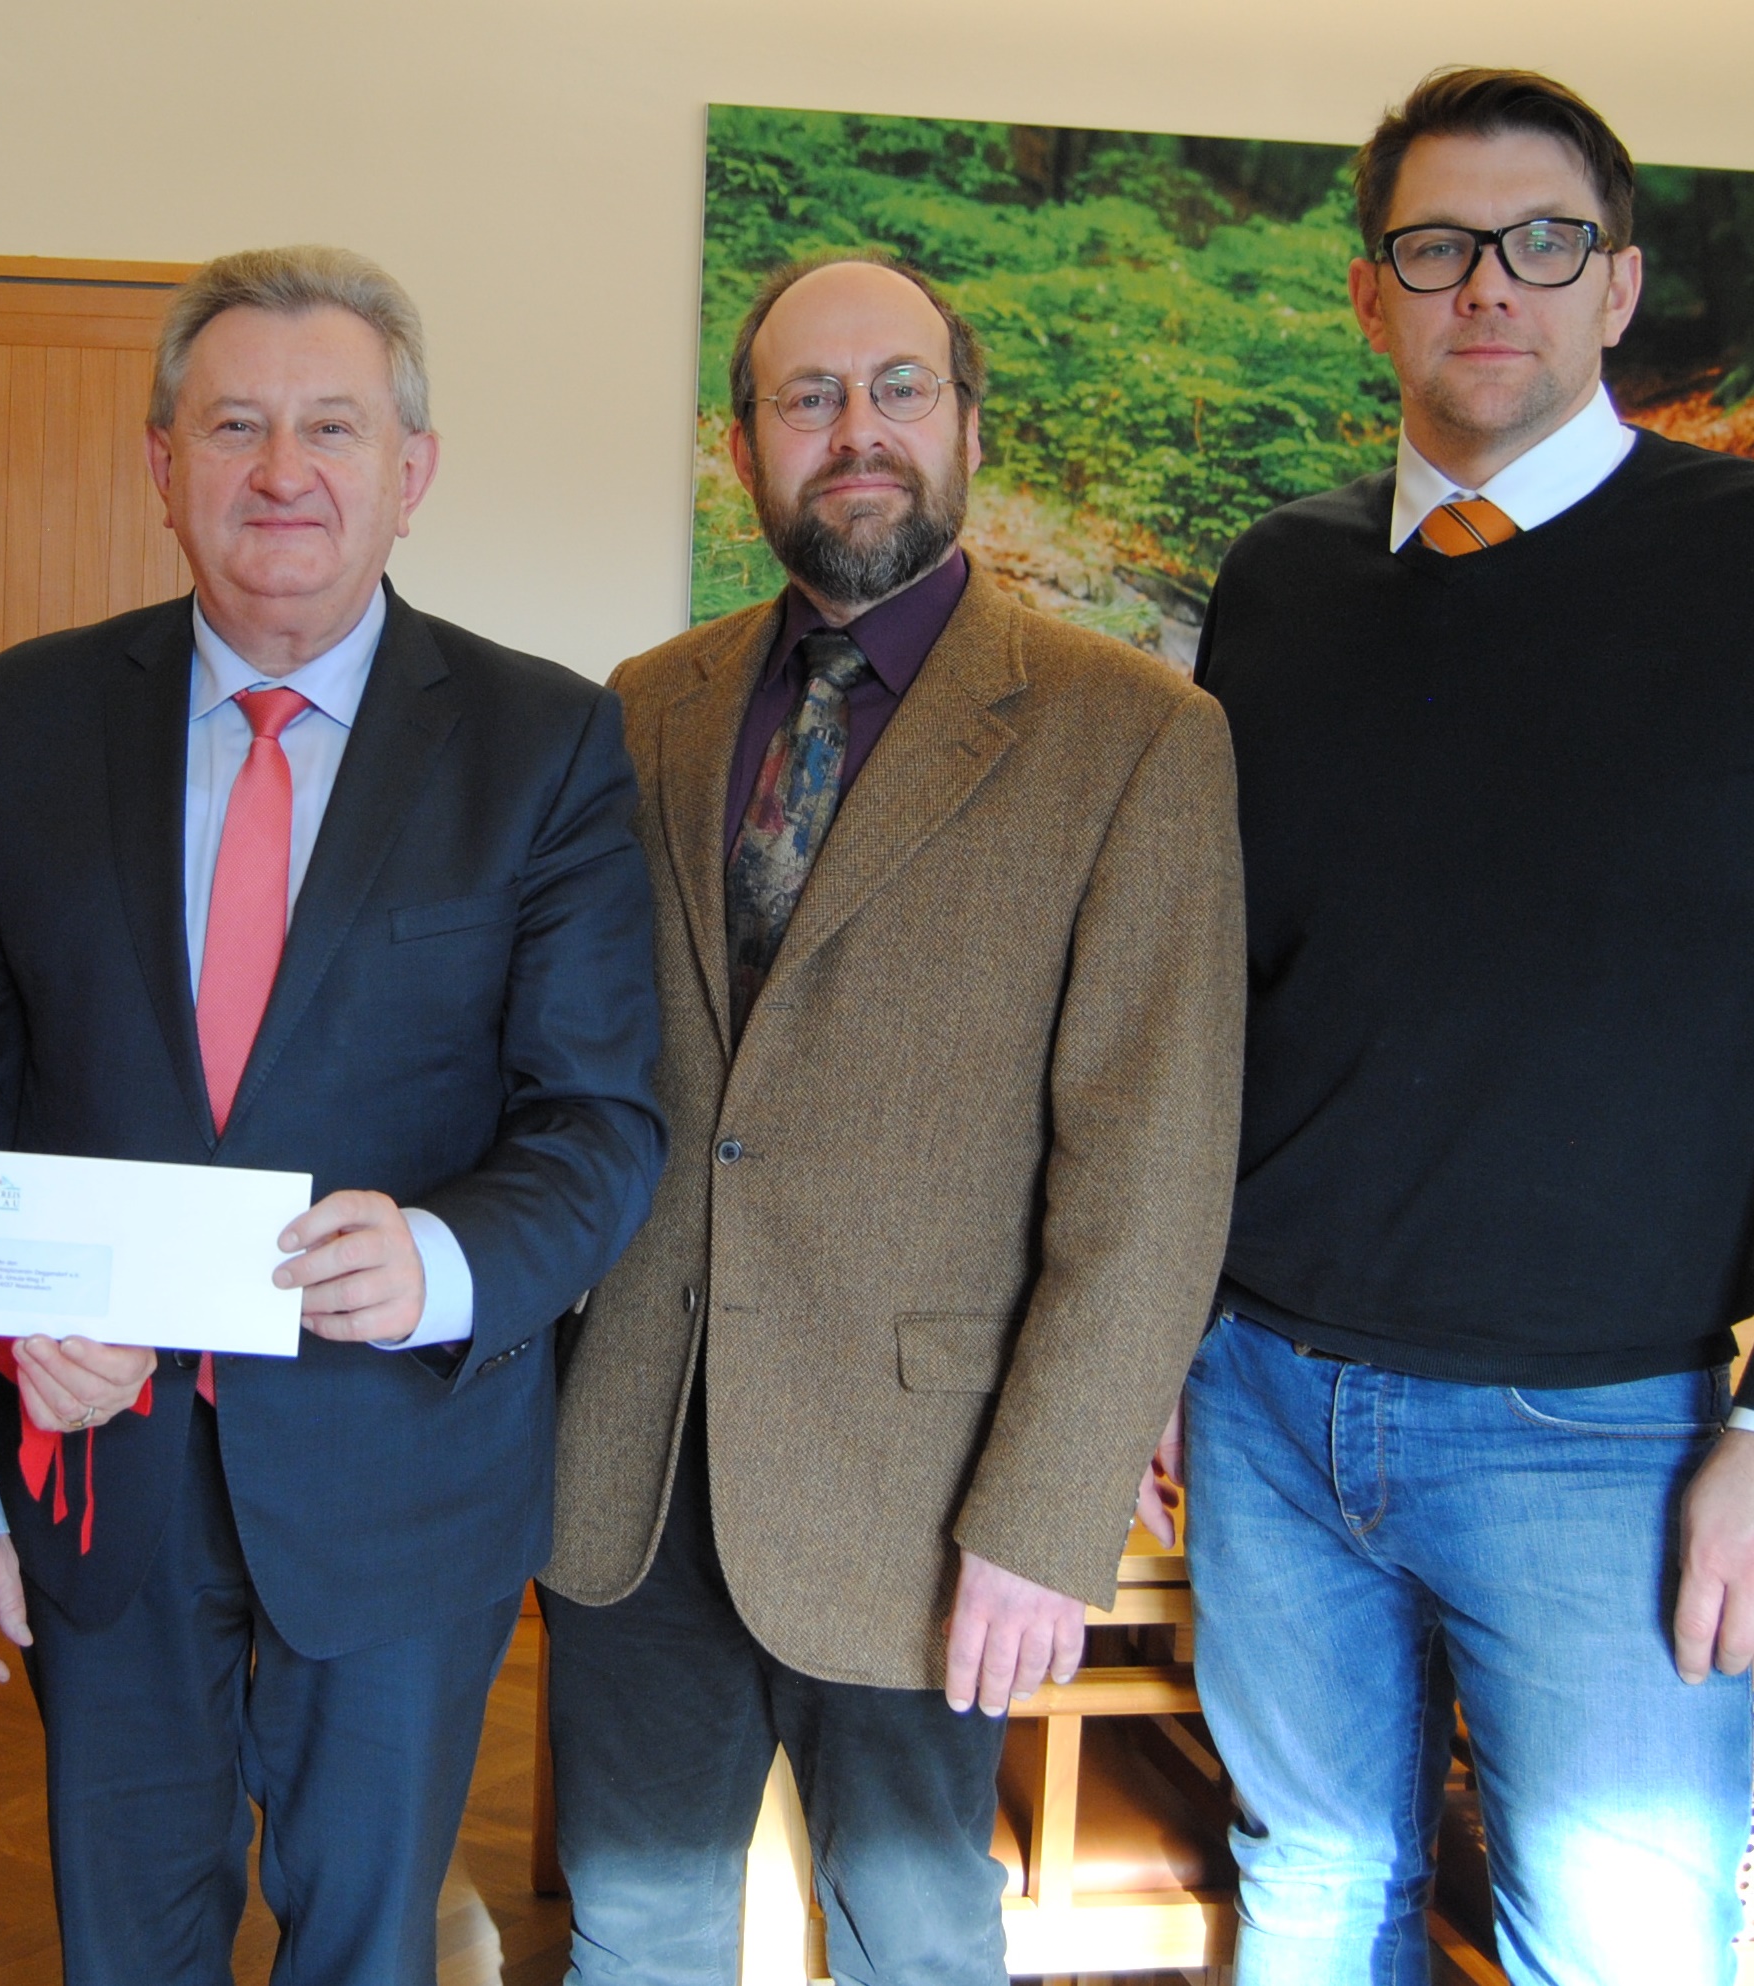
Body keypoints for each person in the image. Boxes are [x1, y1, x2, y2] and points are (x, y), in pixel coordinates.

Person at [0, 244, 665, 1986]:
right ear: (159, 465)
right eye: (235, 424)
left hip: (399, 1466)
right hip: (99, 1466)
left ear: (409, 473)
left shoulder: (542, 740)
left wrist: (445, 1255)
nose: (283, 470)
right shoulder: (24, 715)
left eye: (332, 426)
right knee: (127, 1944)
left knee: (363, 1941)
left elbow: (601, 1115)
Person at [539, 253, 1246, 1986]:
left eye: (898, 388)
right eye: (807, 397)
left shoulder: (1136, 735)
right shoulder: (639, 707)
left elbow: (1149, 1172)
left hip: (933, 1502)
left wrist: (1051, 1513)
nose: (856, 431)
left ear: (969, 422)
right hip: (635, 1471)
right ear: (746, 443)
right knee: (628, 1927)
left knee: (919, 1937)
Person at [1183, 66, 1754, 1984]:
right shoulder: (1278, 581)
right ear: (1372, 296)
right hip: (1263, 1401)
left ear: (1616, 286)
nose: (1486, 285)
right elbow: (1206, 991)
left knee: (1620, 1943)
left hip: (1606, 1426)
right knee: (1314, 1897)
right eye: (1436, 247)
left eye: (1542, 243)